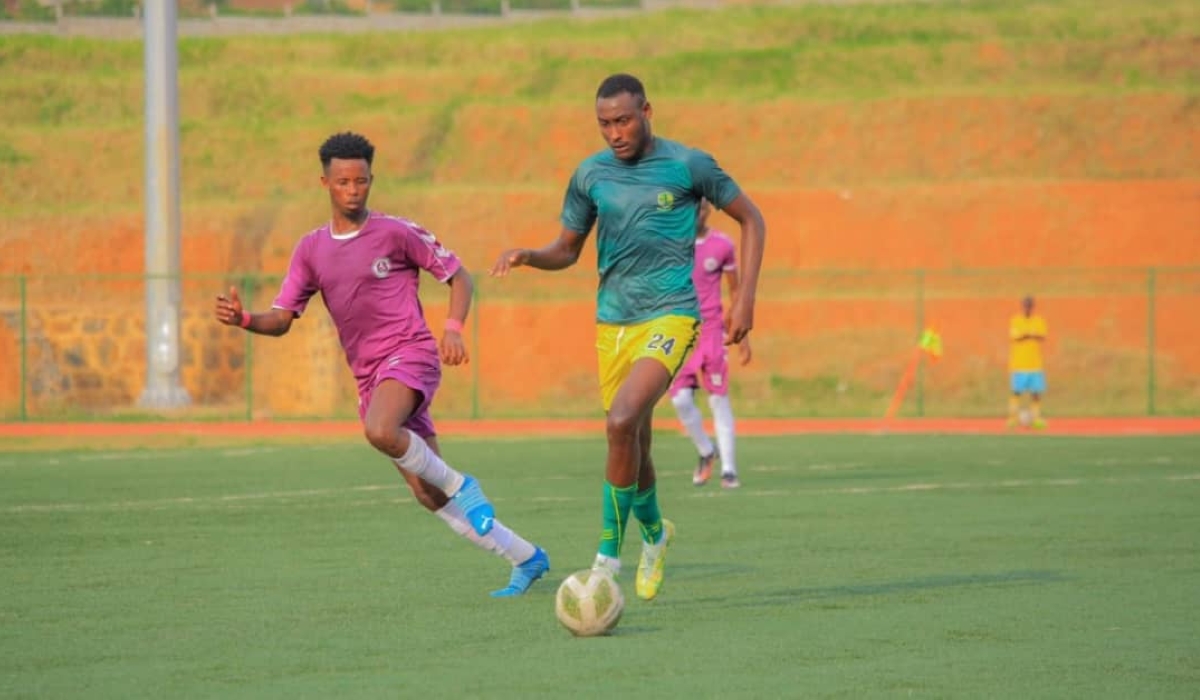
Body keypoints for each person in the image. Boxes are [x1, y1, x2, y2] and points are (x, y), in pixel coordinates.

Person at [214, 131, 549, 597]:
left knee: (380, 431)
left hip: (410, 354)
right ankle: (525, 557)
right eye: (343, 182)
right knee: (428, 493)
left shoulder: (396, 232)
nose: (353, 190)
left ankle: (466, 485)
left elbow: (459, 277)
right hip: (371, 376)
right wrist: (245, 319)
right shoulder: (310, 249)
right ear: (325, 183)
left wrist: (452, 328)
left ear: (372, 180)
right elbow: (282, 319)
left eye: (362, 181)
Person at [489, 74, 766, 601]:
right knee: (632, 440)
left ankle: (605, 564)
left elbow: (752, 219)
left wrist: (744, 298)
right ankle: (657, 537)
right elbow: (568, 249)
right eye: (604, 124)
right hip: (612, 322)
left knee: (621, 421)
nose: (614, 133)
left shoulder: (689, 165)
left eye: (623, 120)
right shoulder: (590, 175)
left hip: (672, 316)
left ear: (647, 111)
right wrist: (530, 254)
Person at [669, 197, 752, 489]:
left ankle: (729, 469)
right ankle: (706, 450)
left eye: (703, 207)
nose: (698, 212)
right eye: (693, 207)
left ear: (709, 210)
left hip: (713, 332)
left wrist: (743, 338)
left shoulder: (722, 245)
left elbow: (735, 292)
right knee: (679, 399)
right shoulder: (671, 244)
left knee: (718, 398)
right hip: (680, 333)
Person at [1008, 295, 1049, 429]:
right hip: (1019, 364)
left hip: (1035, 364)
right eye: (1025, 305)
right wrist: (1030, 334)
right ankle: (1013, 418)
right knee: (1016, 392)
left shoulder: (1038, 320)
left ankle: (1036, 419)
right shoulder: (1016, 320)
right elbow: (1016, 336)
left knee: (1036, 393)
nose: (1027, 308)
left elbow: (1042, 335)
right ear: (1022, 306)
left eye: (1030, 305)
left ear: (1033, 306)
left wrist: (1028, 334)